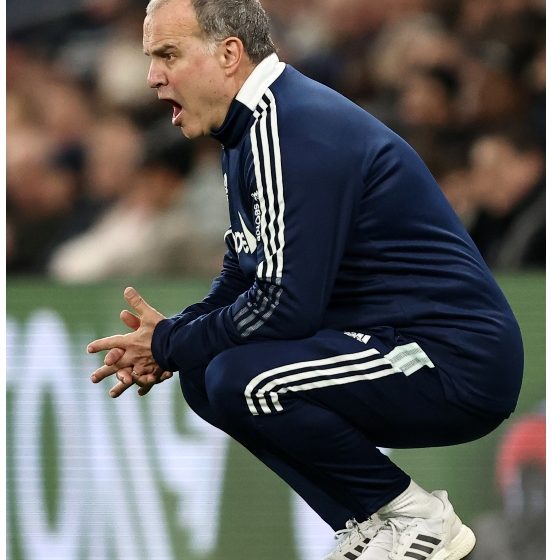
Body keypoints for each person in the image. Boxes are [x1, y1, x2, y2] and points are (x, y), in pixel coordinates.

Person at [86, 1, 524, 559]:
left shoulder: (290, 128)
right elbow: (244, 272)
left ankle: (417, 517)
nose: (152, 76)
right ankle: (371, 526)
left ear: (229, 54)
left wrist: (170, 342)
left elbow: (284, 306)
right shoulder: (252, 128)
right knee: (204, 373)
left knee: (244, 380)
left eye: (168, 54)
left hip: (451, 357)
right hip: (393, 342)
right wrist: (173, 337)